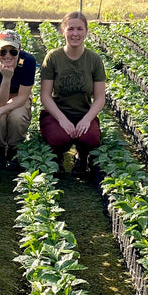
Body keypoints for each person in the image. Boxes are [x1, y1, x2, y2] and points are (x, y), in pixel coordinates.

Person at [40, 11, 106, 176]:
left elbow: (99, 98)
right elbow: (45, 96)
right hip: (57, 114)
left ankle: (82, 157)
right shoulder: (53, 57)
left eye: (79, 29)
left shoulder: (94, 60)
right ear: (63, 31)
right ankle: (57, 156)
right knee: (58, 138)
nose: (75, 34)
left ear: (86, 31)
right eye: (70, 29)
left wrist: (86, 120)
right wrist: (62, 120)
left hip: (83, 113)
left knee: (90, 138)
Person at [0, 30, 36, 171]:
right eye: (3, 52)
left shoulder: (28, 62)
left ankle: (13, 149)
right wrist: (6, 78)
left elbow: (22, 97)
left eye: (13, 52)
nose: (8, 56)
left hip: (18, 95)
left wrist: (0, 111)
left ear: (19, 50)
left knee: (17, 116)